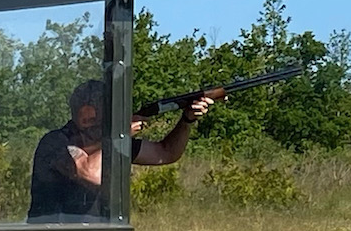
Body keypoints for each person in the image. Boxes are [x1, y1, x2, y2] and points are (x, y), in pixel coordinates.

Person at [27, 79, 212, 222]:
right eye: (95, 109)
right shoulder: (55, 142)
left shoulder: (109, 142)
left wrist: (187, 120)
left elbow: (166, 153)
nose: (101, 115)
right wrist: (119, 136)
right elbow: (92, 174)